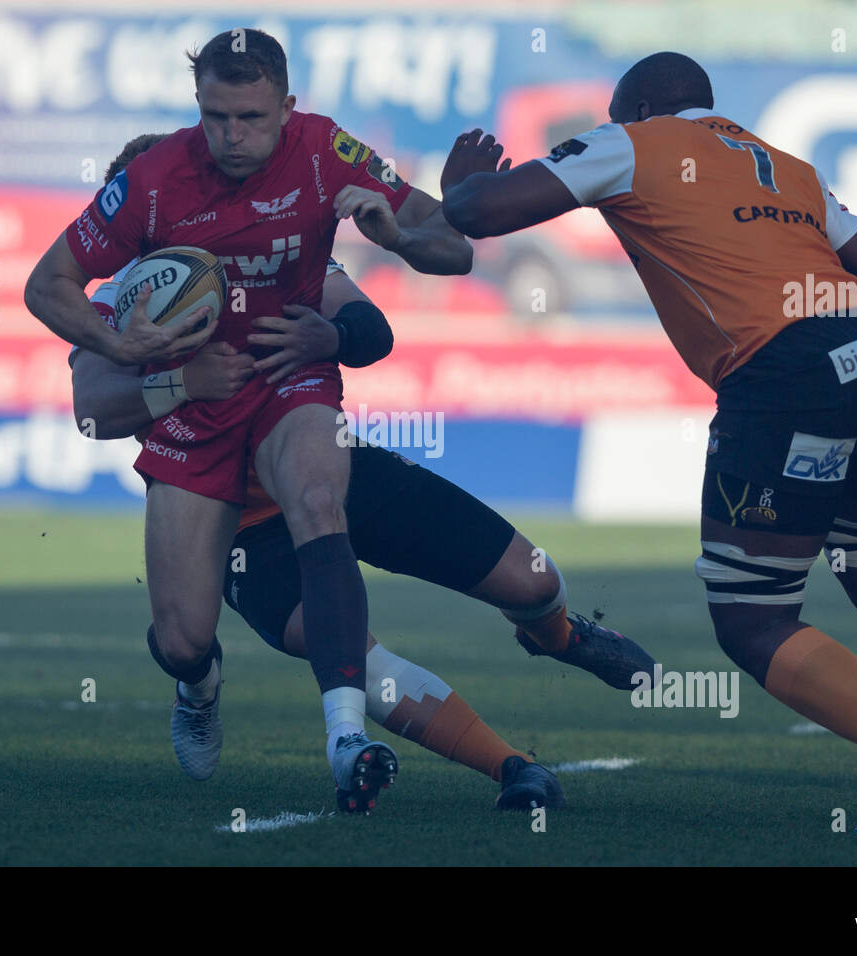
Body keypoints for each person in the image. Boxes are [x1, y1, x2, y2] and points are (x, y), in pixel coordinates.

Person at [437, 51, 857, 832]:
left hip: (786, 373)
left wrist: (457, 186)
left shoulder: (631, 142)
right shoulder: (785, 168)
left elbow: (482, 213)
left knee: (753, 618)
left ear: (641, 106)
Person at [70, 136, 656, 811]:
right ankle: (512, 768)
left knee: (535, 580)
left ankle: (564, 636)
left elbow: (369, 328)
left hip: (332, 470)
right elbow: (93, 410)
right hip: (237, 523)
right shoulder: (120, 295)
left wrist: (334, 336)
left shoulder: (266, 256)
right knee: (214, 644)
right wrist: (181, 381)